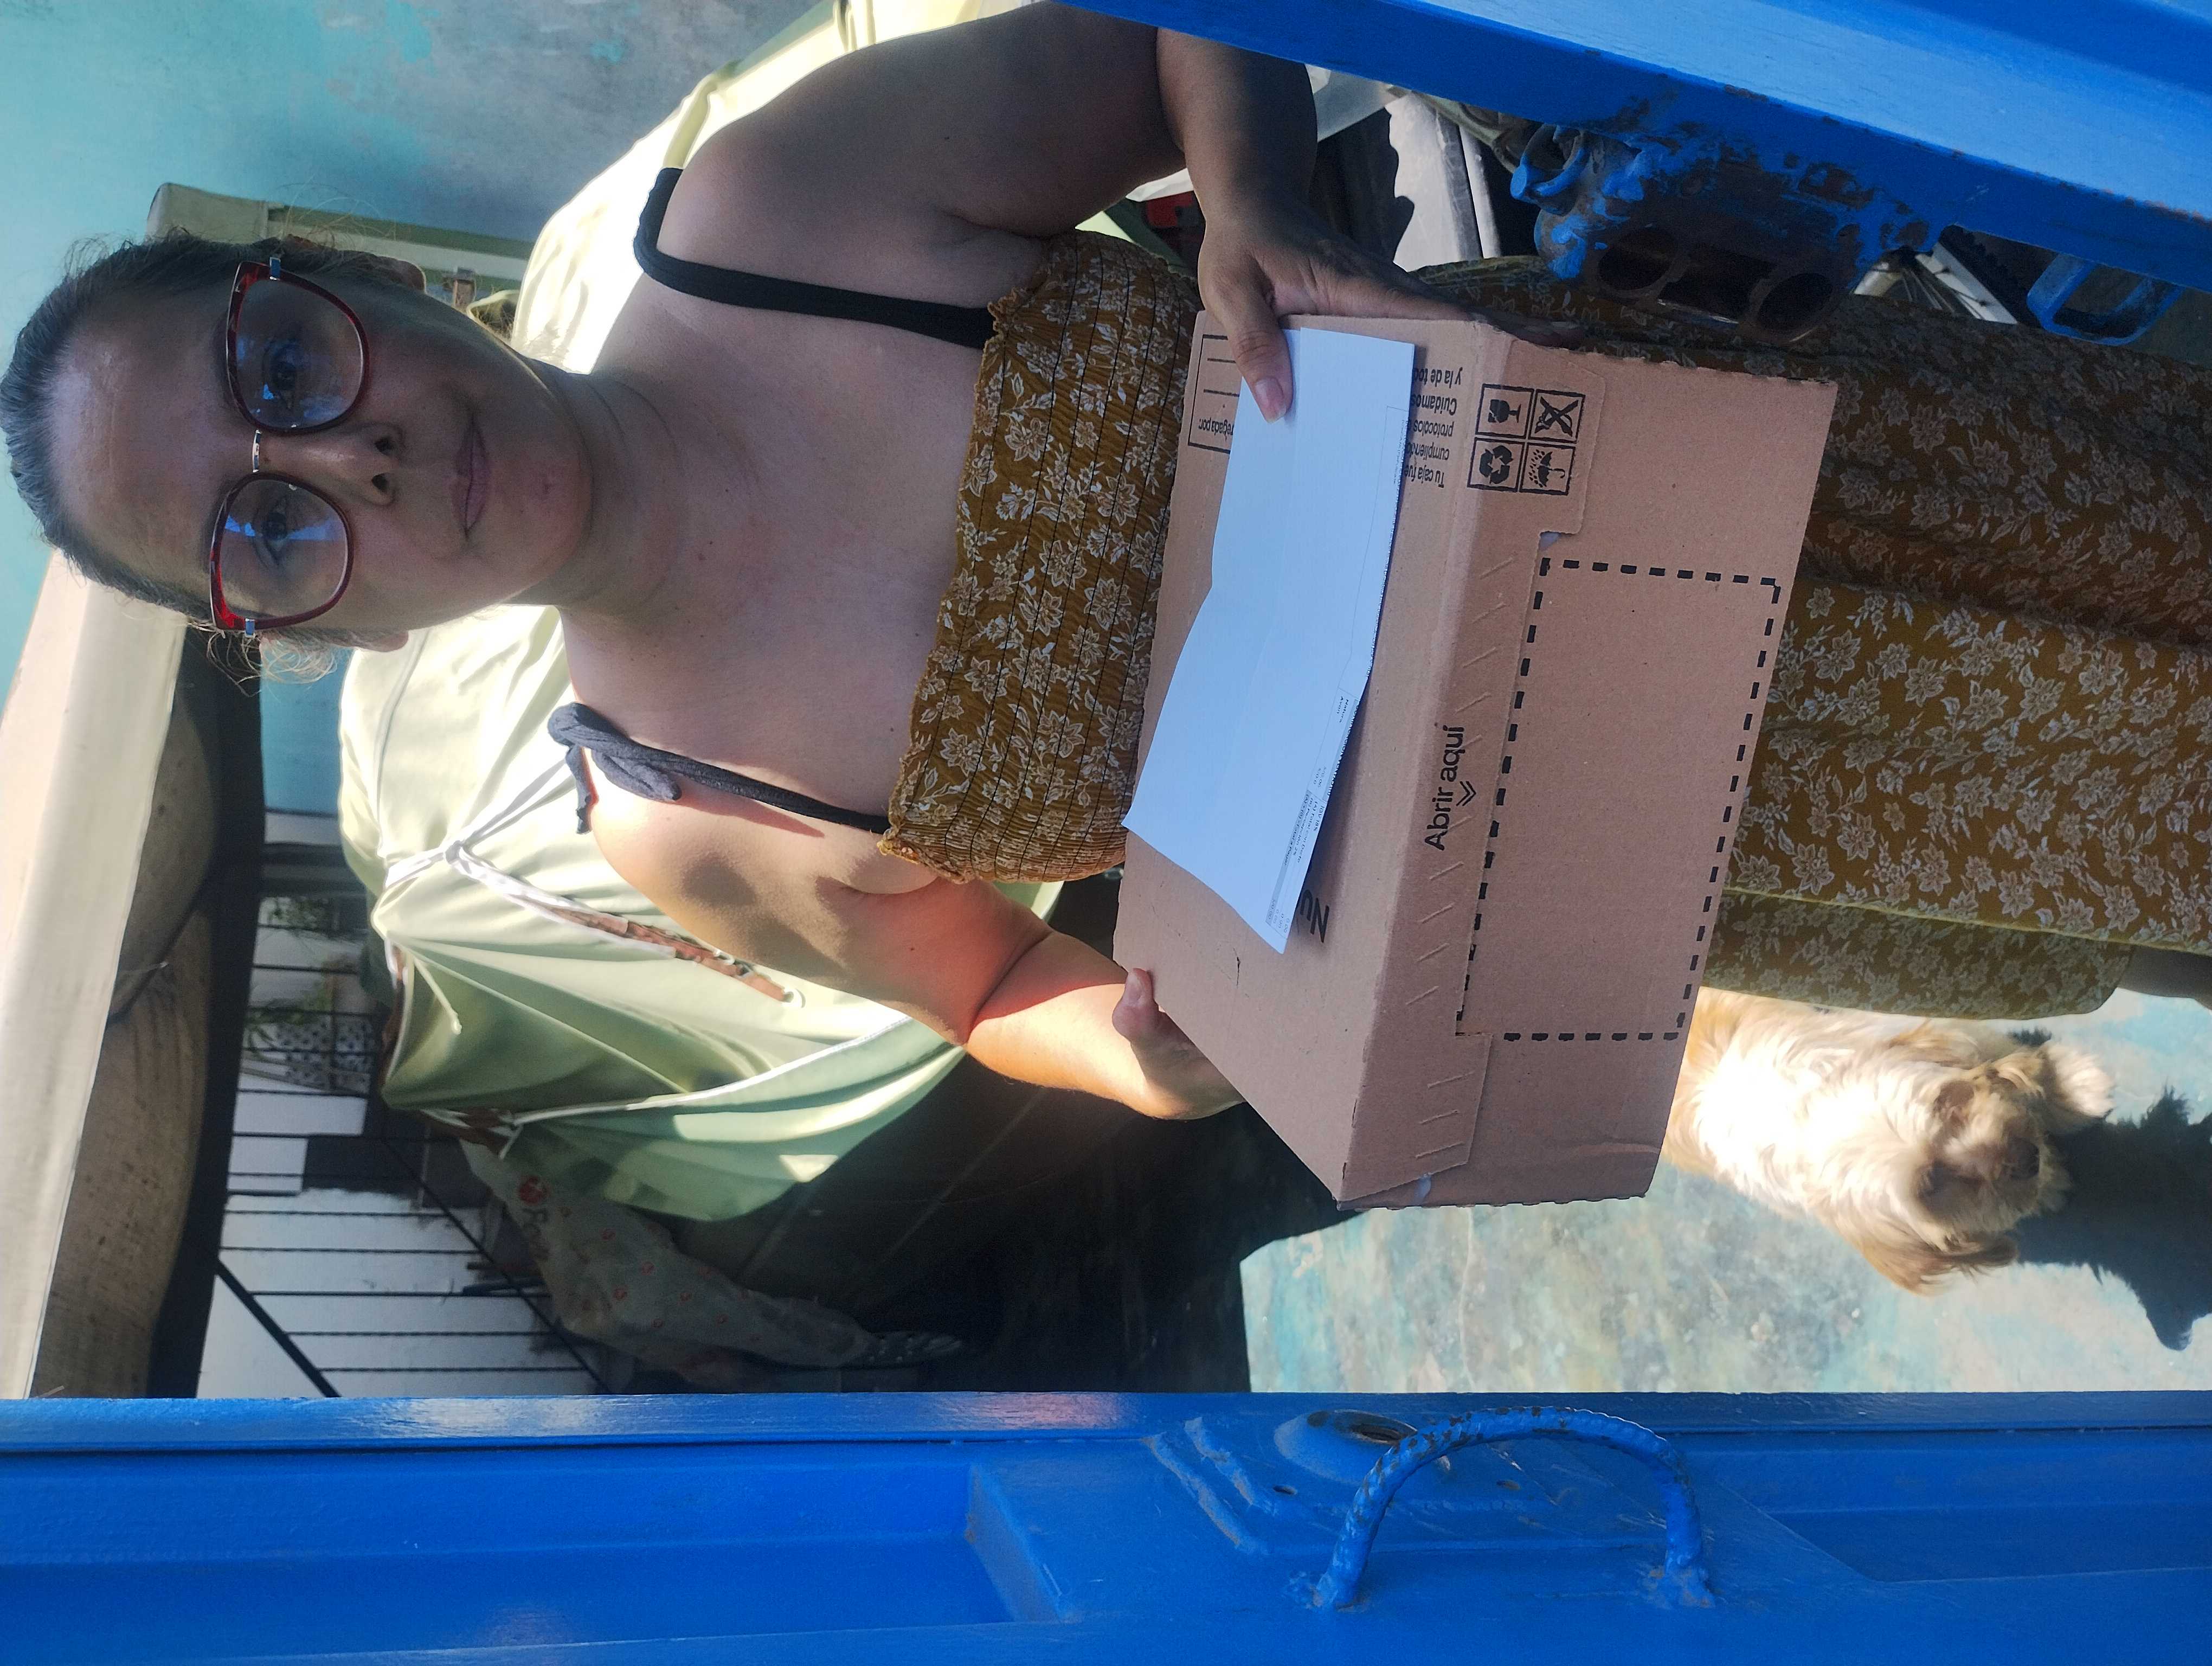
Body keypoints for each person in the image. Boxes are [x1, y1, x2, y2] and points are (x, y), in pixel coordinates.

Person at [6, 5, 2210, 1156]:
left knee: (2151, 526)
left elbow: (1172, 19)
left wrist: (1253, 201)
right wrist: (1155, 1056)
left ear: (359, 285)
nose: (353, 459)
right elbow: (983, 992)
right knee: (2144, 874)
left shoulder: (774, 219)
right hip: (1655, 824)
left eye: (279, 373)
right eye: (267, 529)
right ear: (316, 637)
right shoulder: (682, 811)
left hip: (1703, 469)